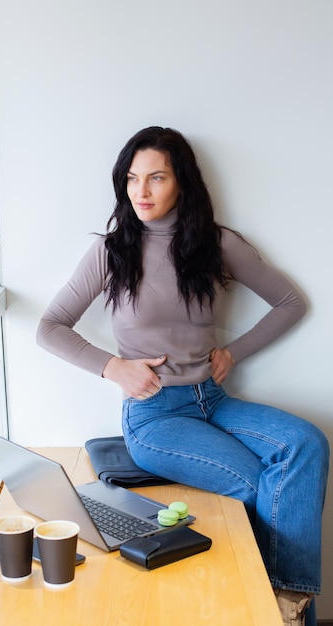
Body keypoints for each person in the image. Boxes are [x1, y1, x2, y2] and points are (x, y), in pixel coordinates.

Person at [37, 126, 329, 626]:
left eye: (156, 178)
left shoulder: (216, 244)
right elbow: (49, 327)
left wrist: (233, 352)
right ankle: (274, 609)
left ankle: (286, 599)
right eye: (132, 179)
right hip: (154, 417)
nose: (141, 192)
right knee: (258, 485)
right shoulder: (111, 252)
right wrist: (113, 367)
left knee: (307, 443)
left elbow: (289, 302)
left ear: (182, 183)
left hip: (213, 400)